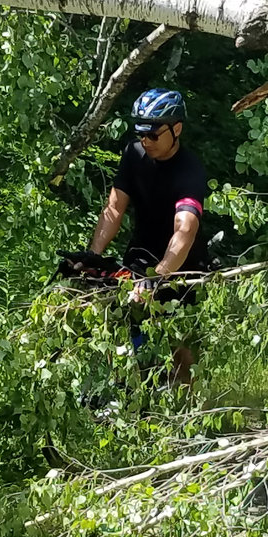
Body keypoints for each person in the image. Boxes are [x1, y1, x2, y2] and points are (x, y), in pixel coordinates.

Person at [84, 87, 209, 382]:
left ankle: (186, 413)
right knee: (124, 327)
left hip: (183, 264)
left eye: (153, 134)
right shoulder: (134, 154)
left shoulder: (190, 171)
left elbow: (185, 230)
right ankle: (130, 404)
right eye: (141, 133)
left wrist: (159, 276)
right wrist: (93, 256)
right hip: (140, 255)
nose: (145, 141)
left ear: (176, 129)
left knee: (179, 343)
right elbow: (114, 209)